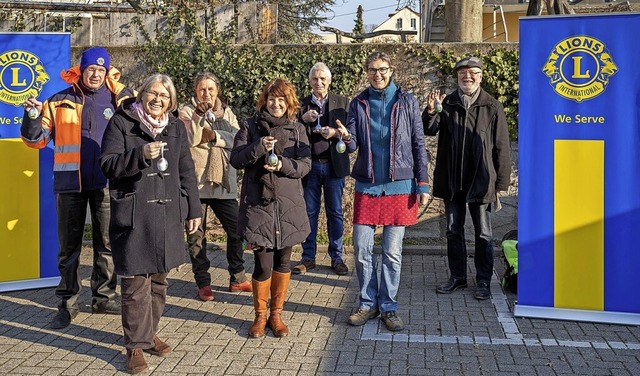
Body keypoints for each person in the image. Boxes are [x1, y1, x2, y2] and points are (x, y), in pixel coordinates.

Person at [21, 46, 134, 329]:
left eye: (101, 70)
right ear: (80, 71)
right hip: (70, 184)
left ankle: (104, 297)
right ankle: (67, 304)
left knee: (107, 243)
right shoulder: (59, 101)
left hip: (108, 182)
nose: (95, 74)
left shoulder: (121, 101)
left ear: (107, 72)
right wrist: (32, 117)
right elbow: (36, 141)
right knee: (69, 248)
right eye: (90, 69)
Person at [99, 74, 202, 374]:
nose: (158, 100)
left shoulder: (175, 126)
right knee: (134, 283)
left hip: (167, 214)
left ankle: (147, 334)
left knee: (159, 280)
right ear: (142, 94)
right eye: (153, 93)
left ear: (171, 102)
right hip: (134, 214)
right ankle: (133, 346)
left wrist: (193, 209)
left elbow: (186, 170)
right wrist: (139, 154)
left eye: (165, 96)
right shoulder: (122, 122)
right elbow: (108, 163)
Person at [345, 52, 430, 332]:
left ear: (391, 70)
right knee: (361, 248)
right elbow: (354, 143)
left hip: (400, 186)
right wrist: (343, 138)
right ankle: (367, 303)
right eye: (371, 70)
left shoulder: (407, 101)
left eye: (382, 69)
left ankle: (389, 307)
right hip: (367, 185)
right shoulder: (358, 103)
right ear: (366, 72)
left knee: (392, 253)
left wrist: (423, 183)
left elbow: (419, 143)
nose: (377, 74)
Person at [422, 56, 511, 301]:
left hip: (480, 180)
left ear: (480, 76)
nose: (467, 77)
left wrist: (501, 182)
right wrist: (430, 112)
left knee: (483, 233)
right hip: (452, 181)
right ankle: (458, 277)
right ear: (457, 77)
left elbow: (501, 145)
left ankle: (483, 280)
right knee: (453, 231)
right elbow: (430, 129)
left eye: (472, 73)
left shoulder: (491, 105)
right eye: (463, 73)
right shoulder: (447, 102)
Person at [230, 78, 311, 338]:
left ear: (289, 102)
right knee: (263, 264)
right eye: (271, 99)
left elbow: (304, 165)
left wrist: (283, 166)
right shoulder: (250, 126)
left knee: (284, 262)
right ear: (264, 100)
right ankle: (259, 317)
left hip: (287, 206)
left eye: (281, 99)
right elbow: (236, 159)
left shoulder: (297, 129)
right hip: (258, 205)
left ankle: (276, 315)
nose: (276, 104)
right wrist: (257, 148)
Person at [179, 72, 252, 301]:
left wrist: (213, 137)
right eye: (202, 89)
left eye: (211, 89)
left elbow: (239, 140)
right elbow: (190, 139)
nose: (206, 94)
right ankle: (203, 283)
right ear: (195, 91)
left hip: (223, 184)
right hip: (196, 184)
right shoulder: (186, 112)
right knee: (196, 236)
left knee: (237, 230)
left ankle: (237, 278)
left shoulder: (227, 113)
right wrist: (200, 121)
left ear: (217, 91)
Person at [294, 62, 350, 276]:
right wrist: (302, 120)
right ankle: (308, 257)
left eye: (322, 79)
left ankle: (337, 257)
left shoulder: (342, 103)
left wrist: (335, 132)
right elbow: (291, 132)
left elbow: (349, 132)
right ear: (310, 81)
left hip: (334, 166)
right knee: (309, 212)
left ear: (329, 81)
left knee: (335, 213)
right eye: (315, 79)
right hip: (310, 166)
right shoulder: (301, 105)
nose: (319, 82)